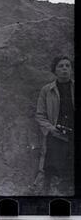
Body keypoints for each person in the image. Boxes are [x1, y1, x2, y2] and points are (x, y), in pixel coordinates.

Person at [35, 55, 74, 195]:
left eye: (67, 66)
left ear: (71, 70)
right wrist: (52, 129)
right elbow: (40, 116)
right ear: (55, 70)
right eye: (60, 66)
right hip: (55, 135)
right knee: (51, 168)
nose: (64, 69)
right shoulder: (47, 90)